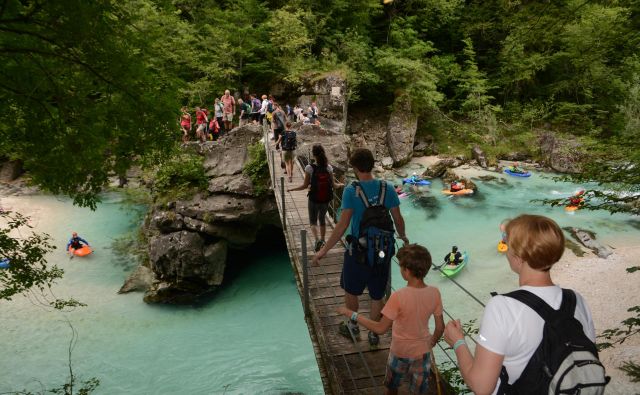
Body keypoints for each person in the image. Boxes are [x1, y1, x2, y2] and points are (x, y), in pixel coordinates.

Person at [443, 214, 597, 395]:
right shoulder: (577, 300)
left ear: (519, 256)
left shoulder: (501, 307)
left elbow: (481, 387)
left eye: (509, 246)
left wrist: (458, 342)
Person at [313, 148, 409, 349]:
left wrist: (323, 250)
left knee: (351, 290)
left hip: (357, 251)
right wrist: (403, 238)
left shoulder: (351, 190)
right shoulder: (388, 188)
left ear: (355, 168)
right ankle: (374, 334)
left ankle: (353, 325)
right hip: (382, 251)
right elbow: (398, 220)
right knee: (377, 294)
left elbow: (342, 225)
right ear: (373, 164)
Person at [337, 243, 445, 395]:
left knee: (392, 387)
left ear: (406, 271)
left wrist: (352, 314)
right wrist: (431, 342)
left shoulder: (399, 296)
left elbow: (380, 329)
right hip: (422, 352)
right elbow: (440, 327)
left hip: (399, 352)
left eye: (401, 267)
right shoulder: (435, 293)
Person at [288, 144, 343, 252]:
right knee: (322, 219)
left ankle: (317, 240)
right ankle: (323, 240)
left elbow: (304, 185)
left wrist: (292, 189)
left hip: (313, 198)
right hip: (326, 199)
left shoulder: (309, 168)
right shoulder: (329, 168)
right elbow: (334, 185)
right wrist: (341, 185)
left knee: (313, 221)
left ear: (313, 154)